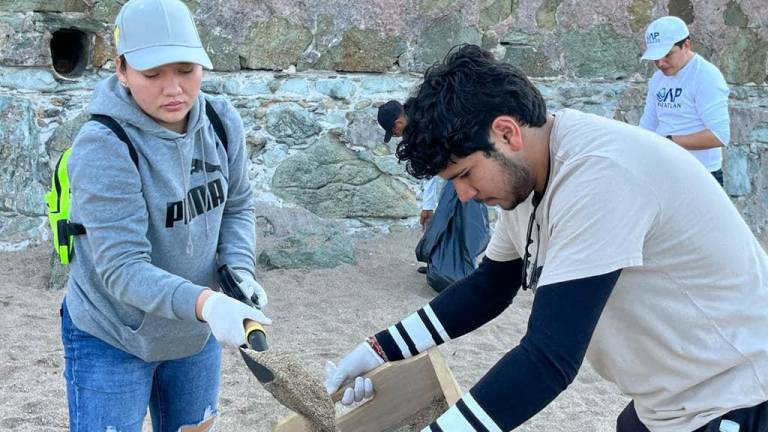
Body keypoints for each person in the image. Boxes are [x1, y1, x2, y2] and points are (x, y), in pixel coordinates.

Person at [326, 44, 768, 431]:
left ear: (506, 133)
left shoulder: (599, 175)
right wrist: (378, 349)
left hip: (737, 397)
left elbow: (549, 358)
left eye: (463, 175)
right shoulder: (529, 176)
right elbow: (489, 287)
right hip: (669, 403)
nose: (462, 195)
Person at [61, 1, 271, 430]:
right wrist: (208, 303)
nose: (173, 89)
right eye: (152, 75)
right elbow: (123, 268)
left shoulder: (220, 120)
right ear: (121, 70)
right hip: (114, 335)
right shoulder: (103, 145)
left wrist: (238, 270)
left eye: (186, 70)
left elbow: (237, 205)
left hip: (193, 334)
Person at [378, 100, 489, 286]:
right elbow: (430, 167)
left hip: (468, 169)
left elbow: (430, 169)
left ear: (398, 123)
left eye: (394, 132)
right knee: (446, 219)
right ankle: (440, 263)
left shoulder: (423, 126)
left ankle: (462, 273)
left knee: (466, 223)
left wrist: (428, 206)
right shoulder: (422, 116)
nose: (397, 136)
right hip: (459, 169)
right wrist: (428, 206)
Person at [639, 16, 730, 186]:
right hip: (666, 171)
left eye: (667, 54)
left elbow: (719, 136)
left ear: (686, 45)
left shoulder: (705, 76)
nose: (660, 63)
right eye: (655, 57)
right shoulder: (657, 79)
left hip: (701, 174)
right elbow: (647, 125)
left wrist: (669, 142)